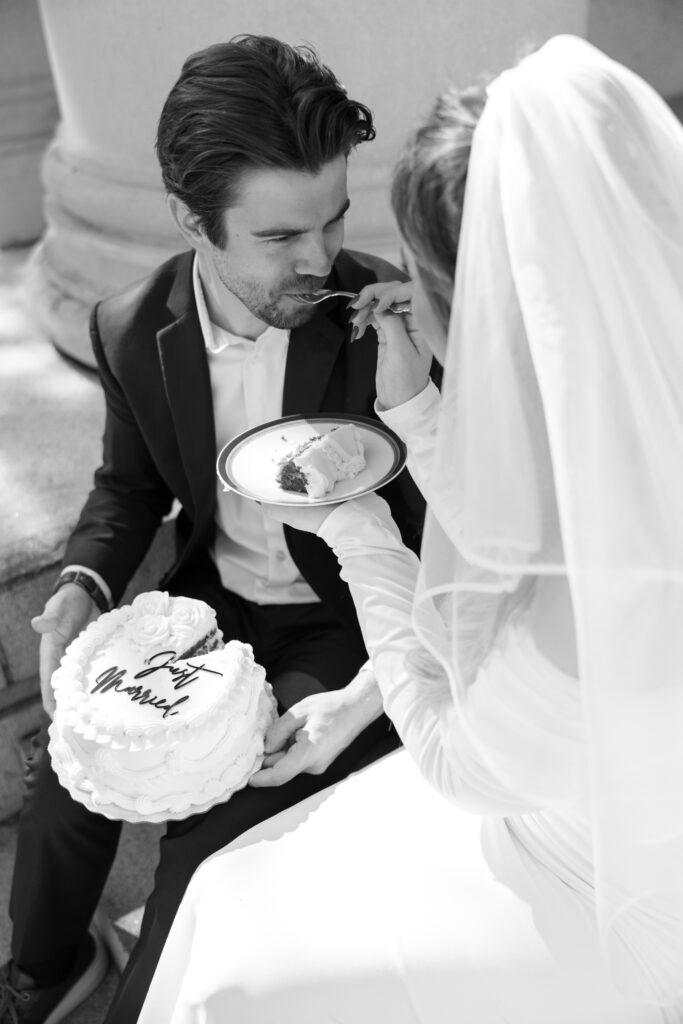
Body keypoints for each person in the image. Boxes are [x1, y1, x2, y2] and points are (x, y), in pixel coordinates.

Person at [137, 35, 683, 1024]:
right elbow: (525, 540)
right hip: (573, 773)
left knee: (238, 937)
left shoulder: (589, 597)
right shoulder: (641, 411)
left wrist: (350, 522)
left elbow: (455, 765)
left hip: (603, 879)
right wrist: (420, 417)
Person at [0, 35, 434, 1024]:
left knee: (205, 843)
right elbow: (126, 486)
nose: (320, 257)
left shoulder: (383, 323)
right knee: (75, 775)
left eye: (328, 220)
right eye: (281, 237)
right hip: (206, 611)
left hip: (344, 626)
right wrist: (83, 585)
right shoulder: (127, 325)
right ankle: (45, 974)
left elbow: (450, 517)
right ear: (191, 220)